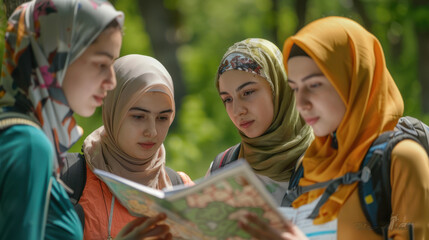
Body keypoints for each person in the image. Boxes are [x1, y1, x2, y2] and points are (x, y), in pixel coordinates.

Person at [239, 16, 429, 239]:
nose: (302, 104)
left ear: (354, 79)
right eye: (296, 88)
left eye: (314, 85)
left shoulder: (401, 158)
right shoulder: (309, 164)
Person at [0, 1, 171, 239]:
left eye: (113, 64)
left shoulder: (14, 133)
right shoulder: (29, 144)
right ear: (56, 57)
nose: (111, 81)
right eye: (102, 64)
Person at [72, 54, 193, 239]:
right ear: (113, 110)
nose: (152, 131)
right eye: (138, 116)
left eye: (162, 118)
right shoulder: (68, 182)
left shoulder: (180, 189)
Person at [207, 38, 314, 205]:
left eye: (248, 92)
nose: (237, 111)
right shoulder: (222, 168)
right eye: (227, 99)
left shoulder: (328, 160)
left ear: (278, 89)